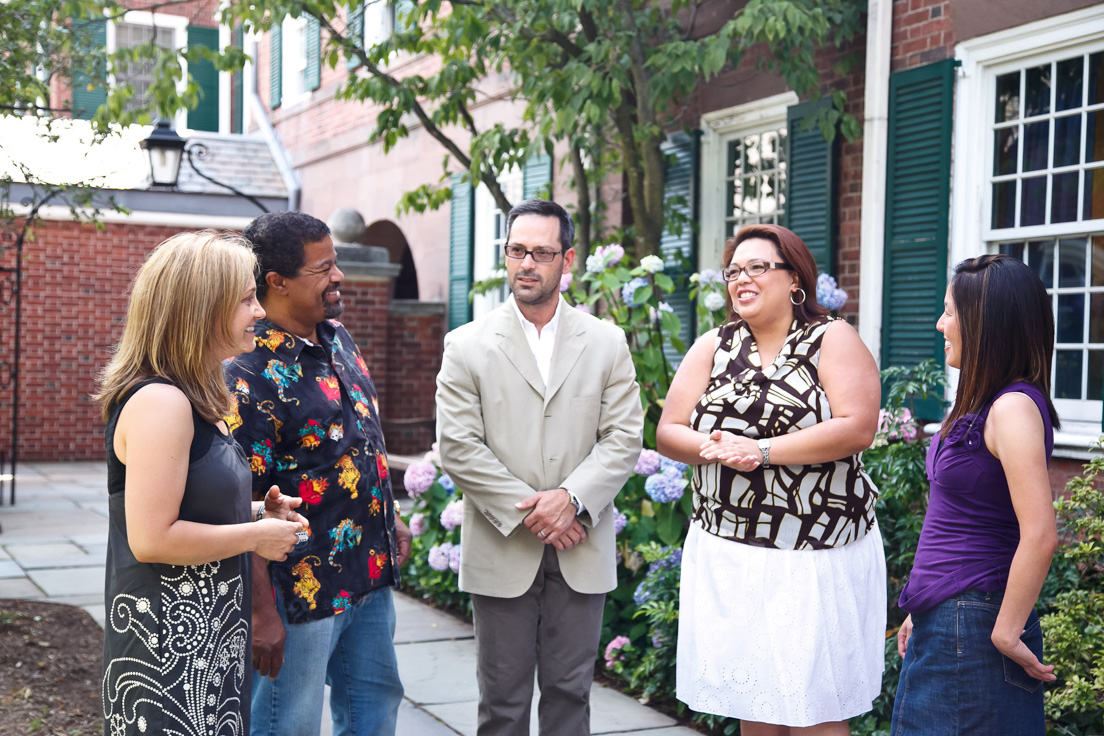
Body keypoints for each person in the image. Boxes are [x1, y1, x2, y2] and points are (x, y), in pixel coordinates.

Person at [657, 223, 886, 735]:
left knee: (815, 708)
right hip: (730, 550)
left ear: (794, 279)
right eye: (734, 270)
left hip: (814, 551)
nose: (741, 278)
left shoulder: (832, 338)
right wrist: (717, 447)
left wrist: (759, 451)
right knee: (755, 703)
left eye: (757, 267)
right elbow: (668, 432)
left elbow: (856, 427)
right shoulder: (713, 345)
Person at [436, 199, 643, 736]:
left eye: (542, 253)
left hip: (582, 542)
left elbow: (623, 436)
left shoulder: (606, 341)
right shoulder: (466, 345)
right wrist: (538, 511)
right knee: (501, 703)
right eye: (517, 251)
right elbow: (459, 447)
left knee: (571, 696)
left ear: (567, 259)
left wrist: (570, 499)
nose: (527, 263)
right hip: (503, 544)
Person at [97, 231, 308, 736]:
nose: (259, 311)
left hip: (209, 647)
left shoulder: (194, 397)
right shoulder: (160, 403)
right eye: (245, 299)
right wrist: (255, 537)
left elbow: (188, 508)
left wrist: (259, 515)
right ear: (201, 308)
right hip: (166, 657)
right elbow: (151, 538)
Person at [225, 212, 412, 736]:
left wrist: (389, 517)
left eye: (337, 262)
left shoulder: (337, 337)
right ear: (277, 283)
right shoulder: (247, 373)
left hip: (368, 572)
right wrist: (262, 613)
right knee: (289, 723)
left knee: (375, 708)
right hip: (298, 593)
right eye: (323, 267)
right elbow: (245, 503)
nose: (339, 277)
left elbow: (363, 439)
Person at [890, 254, 1060, 735]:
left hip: (975, 619)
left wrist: (1006, 630)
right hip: (950, 616)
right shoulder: (986, 402)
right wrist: (923, 606)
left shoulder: (1012, 409)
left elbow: (1041, 533)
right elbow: (955, 514)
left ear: (986, 324)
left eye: (949, 312)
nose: (941, 324)